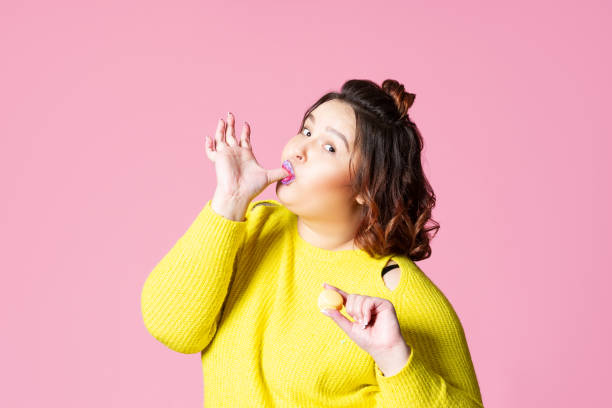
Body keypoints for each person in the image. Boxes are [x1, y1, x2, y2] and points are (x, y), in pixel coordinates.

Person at [140, 79, 484, 407]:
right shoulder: (256, 225)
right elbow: (173, 329)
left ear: (366, 188)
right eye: (306, 130)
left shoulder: (399, 292)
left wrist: (394, 358)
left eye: (329, 147)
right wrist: (228, 201)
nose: (299, 148)